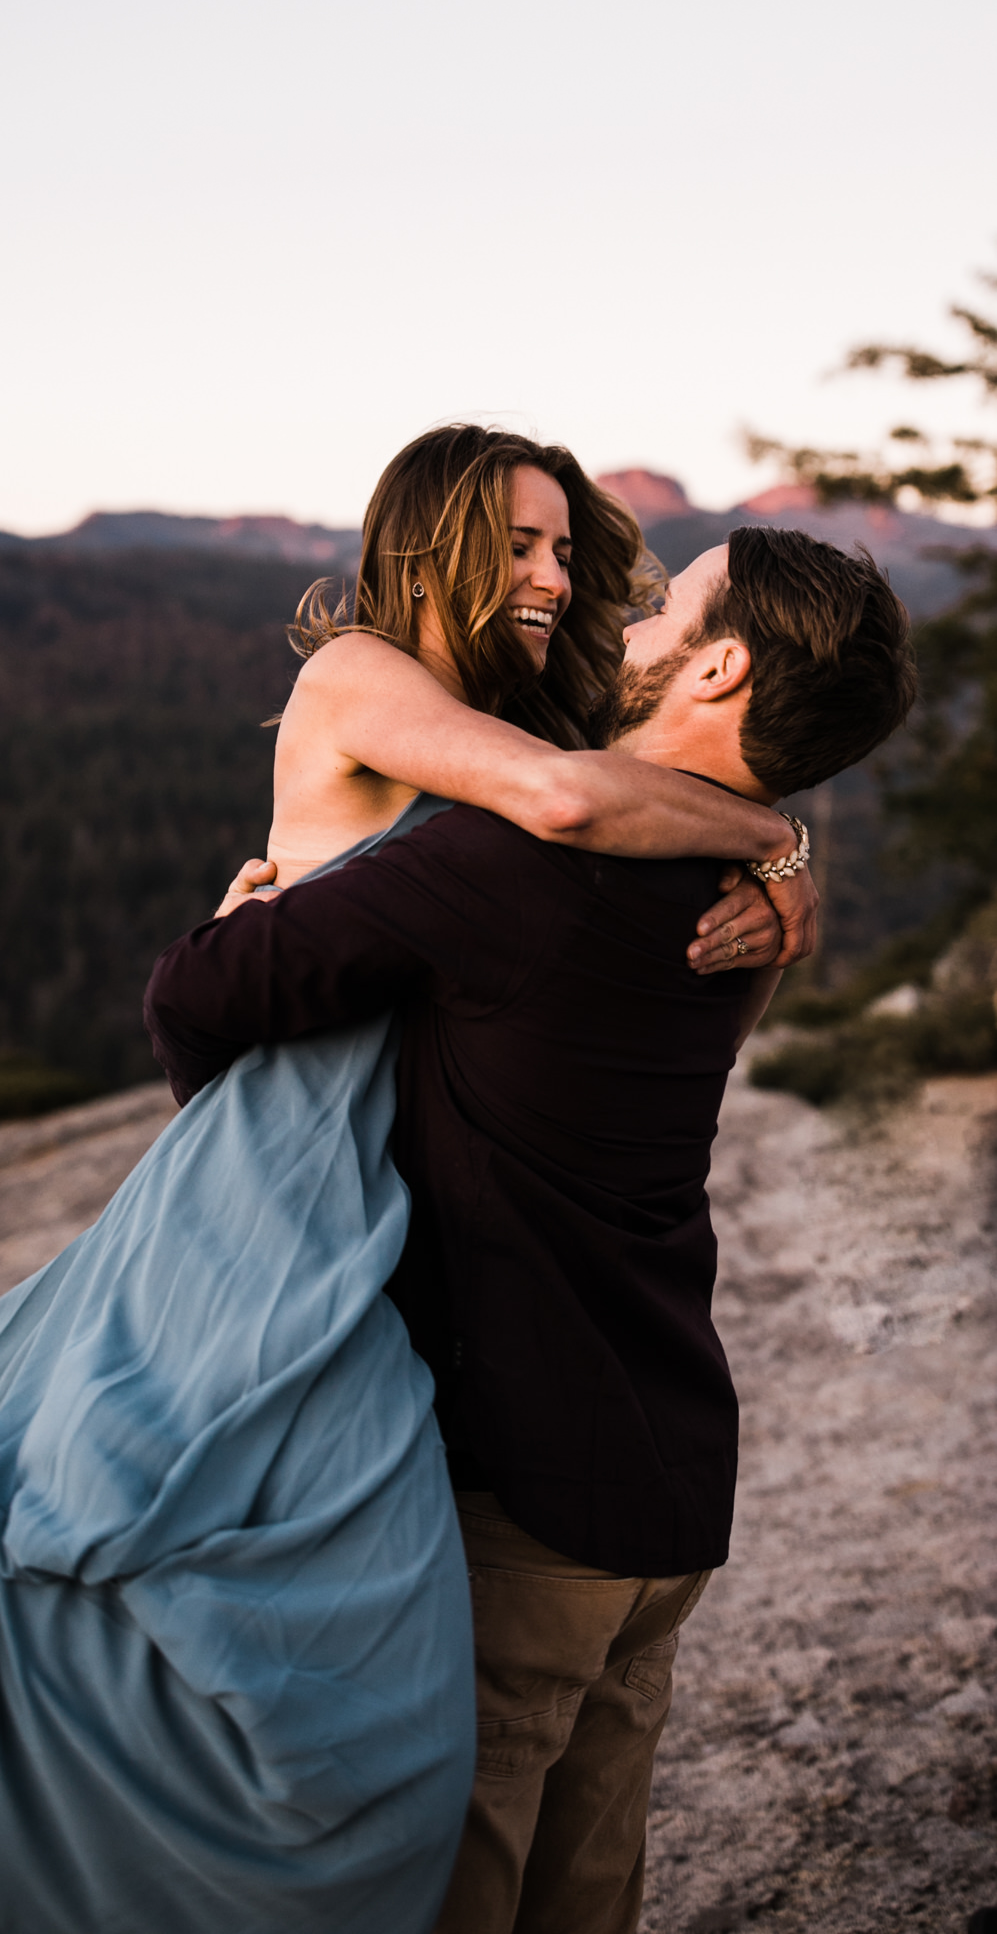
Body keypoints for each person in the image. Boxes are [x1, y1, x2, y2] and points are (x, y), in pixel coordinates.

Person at [0, 430, 812, 1934]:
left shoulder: (528, 716)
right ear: (430, 546)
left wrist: (788, 862)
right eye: (517, 546)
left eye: (563, 551)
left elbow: (652, 775)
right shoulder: (363, 676)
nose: (550, 577)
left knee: (281, 1543)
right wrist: (772, 835)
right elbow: (568, 806)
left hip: (389, 1167)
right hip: (295, 1142)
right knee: (182, 1522)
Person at [143, 522, 917, 1934]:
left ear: (718, 663)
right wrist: (784, 840)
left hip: (524, 1503)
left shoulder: (512, 869)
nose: (615, 627)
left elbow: (200, 994)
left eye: (659, 610)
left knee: (450, 1893)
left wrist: (259, 1055)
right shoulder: (739, 908)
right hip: (662, 1482)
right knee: (583, 1897)